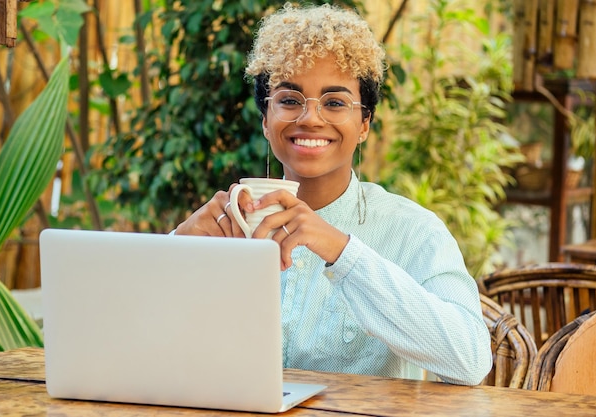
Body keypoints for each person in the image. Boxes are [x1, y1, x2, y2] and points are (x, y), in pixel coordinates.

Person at [174, 3, 492, 385]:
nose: (310, 118)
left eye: (335, 102)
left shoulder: (414, 232)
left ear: (364, 125)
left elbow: (471, 360)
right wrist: (177, 250)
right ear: (265, 120)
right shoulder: (226, 226)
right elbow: (146, 343)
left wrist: (341, 251)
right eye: (290, 100)